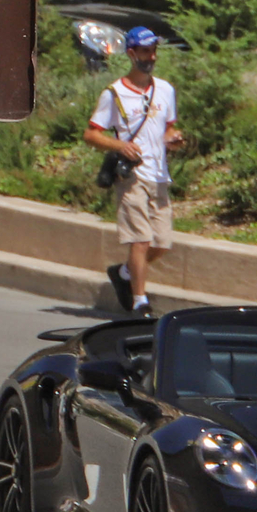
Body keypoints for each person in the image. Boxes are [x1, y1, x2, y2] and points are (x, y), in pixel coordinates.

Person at [82, 28, 183, 317]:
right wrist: (119, 145)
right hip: (132, 177)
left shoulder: (165, 90)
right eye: (144, 51)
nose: (150, 56)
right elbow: (91, 134)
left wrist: (174, 139)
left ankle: (125, 272)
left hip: (159, 176)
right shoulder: (114, 93)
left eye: (153, 51)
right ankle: (140, 301)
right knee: (141, 239)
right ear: (131, 54)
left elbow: (167, 128)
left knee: (162, 243)